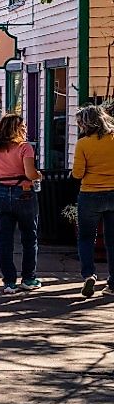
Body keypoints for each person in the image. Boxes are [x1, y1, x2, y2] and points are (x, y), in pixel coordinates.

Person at [0, 113, 43, 294]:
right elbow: (30, 174)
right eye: (22, 126)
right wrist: (39, 175)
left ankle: (9, 282)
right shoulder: (25, 148)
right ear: (17, 128)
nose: (24, 129)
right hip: (23, 193)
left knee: (4, 240)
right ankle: (29, 279)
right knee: (29, 238)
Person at [72, 105, 114, 298]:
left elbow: (78, 173)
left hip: (90, 194)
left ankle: (89, 274)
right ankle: (112, 283)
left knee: (86, 238)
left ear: (86, 123)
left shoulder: (84, 144)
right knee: (112, 241)